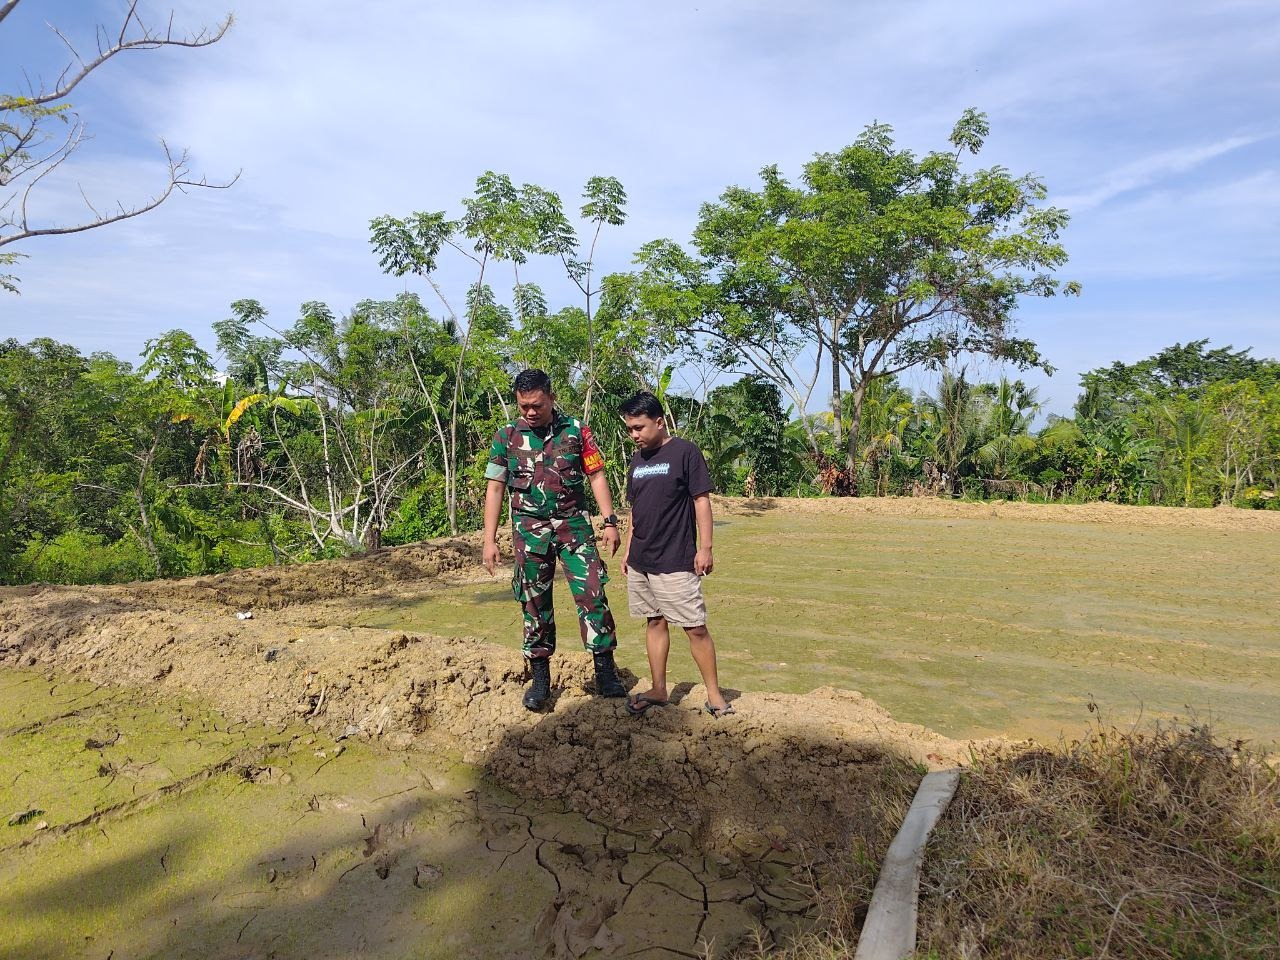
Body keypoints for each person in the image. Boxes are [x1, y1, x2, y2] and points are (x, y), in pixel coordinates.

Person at [482, 369, 628, 710]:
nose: (531, 412)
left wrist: (609, 521)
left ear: (551, 397)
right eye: (524, 406)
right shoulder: (506, 436)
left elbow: (596, 474)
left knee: (593, 594)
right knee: (533, 603)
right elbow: (495, 487)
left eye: (537, 405)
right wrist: (489, 540)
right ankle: (540, 679)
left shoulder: (576, 431)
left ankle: (605, 672)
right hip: (529, 532)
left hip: (574, 527)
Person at [617, 391, 733, 718]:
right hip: (641, 560)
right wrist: (628, 549)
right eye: (630, 429)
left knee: (695, 627)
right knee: (654, 621)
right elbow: (636, 510)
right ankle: (658, 688)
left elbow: (701, 501)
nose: (634, 435)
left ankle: (714, 695)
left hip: (675, 559)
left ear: (659, 422)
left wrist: (706, 548)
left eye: (639, 427)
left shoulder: (685, 452)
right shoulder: (637, 460)